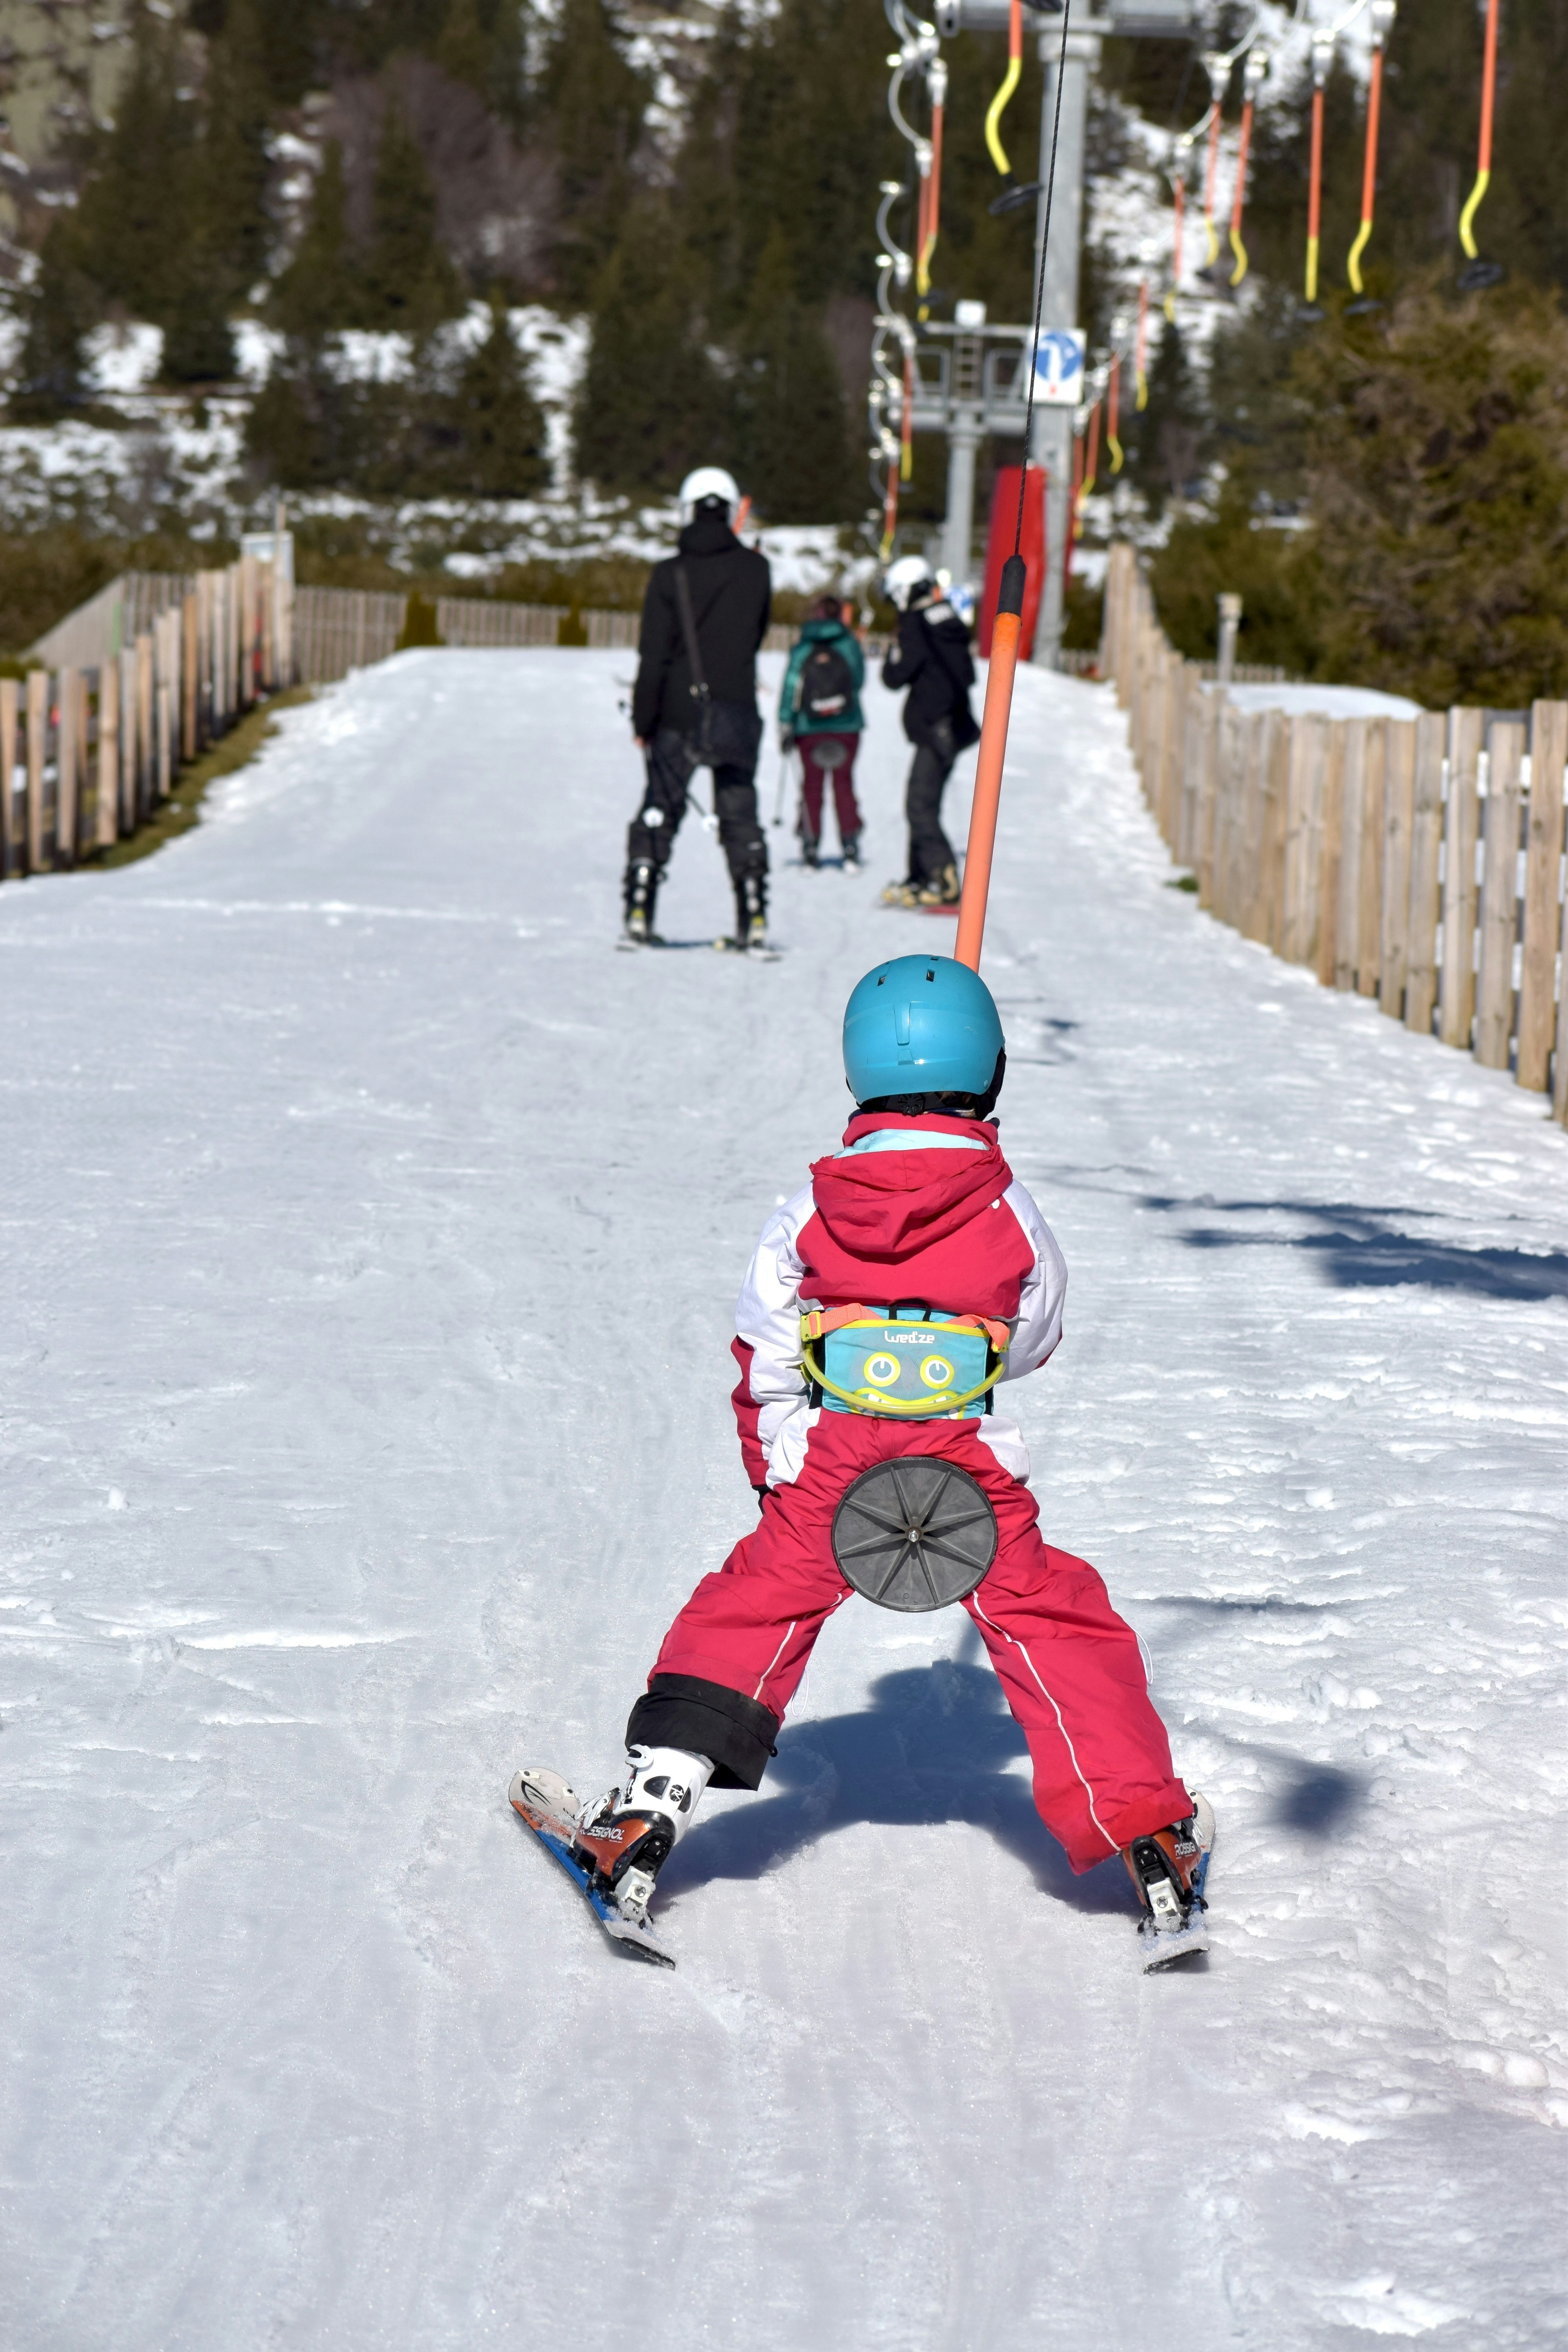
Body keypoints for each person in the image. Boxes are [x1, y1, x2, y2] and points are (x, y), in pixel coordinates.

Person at [520, 956, 1214, 1964]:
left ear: (854, 1074)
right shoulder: (1008, 1210)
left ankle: (646, 1812)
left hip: (834, 1455)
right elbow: (1035, 1338)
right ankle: (1149, 1838)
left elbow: (764, 1348)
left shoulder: (808, 1209)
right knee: (1053, 1619)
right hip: (961, 1461)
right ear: (994, 1071)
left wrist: (777, 1470)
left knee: (750, 1611)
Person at [624, 466, 773, 952]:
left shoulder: (669, 573)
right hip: (735, 711)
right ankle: (753, 914)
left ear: (687, 510)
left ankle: (639, 908)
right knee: (739, 813)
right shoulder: (757, 570)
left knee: (660, 808)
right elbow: (755, 635)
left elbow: (653, 655)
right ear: (730, 510)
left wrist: (643, 719)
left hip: (677, 711)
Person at [878, 556, 980, 910]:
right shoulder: (946, 615)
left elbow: (896, 677)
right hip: (954, 725)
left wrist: (891, 656)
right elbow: (966, 674)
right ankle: (920, 877)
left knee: (919, 805)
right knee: (925, 804)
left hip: (935, 729)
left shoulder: (915, 623)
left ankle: (944, 878)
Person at [778, 594, 865, 870]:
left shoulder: (804, 646)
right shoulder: (849, 645)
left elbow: (791, 686)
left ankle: (810, 844)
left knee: (812, 787)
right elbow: (859, 681)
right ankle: (850, 843)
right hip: (847, 726)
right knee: (844, 784)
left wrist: (786, 722)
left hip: (809, 727)